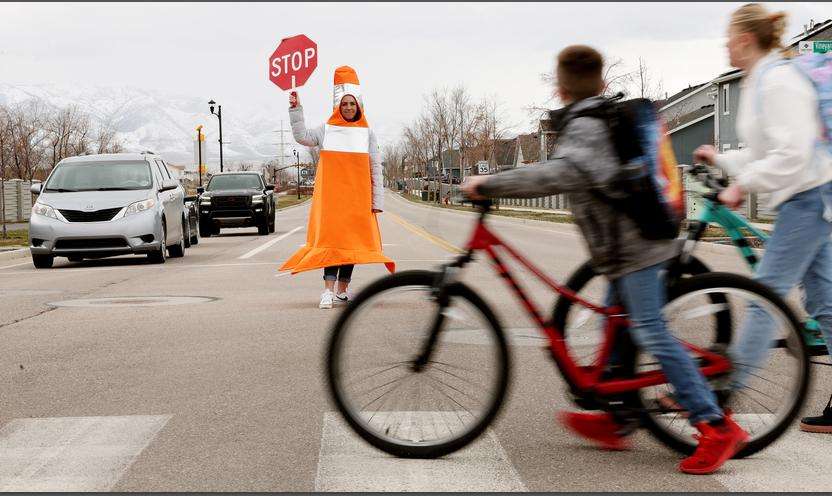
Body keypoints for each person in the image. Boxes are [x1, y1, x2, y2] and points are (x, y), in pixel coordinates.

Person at [462, 45, 748, 474]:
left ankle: (715, 425)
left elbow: (556, 174)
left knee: (650, 331)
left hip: (637, 249)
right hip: (623, 250)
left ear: (560, 89)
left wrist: (489, 184)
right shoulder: (595, 119)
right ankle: (620, 418)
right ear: (604, 83)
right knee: (614, 330)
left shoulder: (587, 128)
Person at [694, 3, 832, 434]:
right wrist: (723, 160)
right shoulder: (761, 79)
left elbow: (794, 154)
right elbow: (764, 152)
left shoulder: (778, 81)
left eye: (728, 37)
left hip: (808, 199)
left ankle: (720, 400)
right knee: (826, 305)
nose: (724, 44)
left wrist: (742, 185)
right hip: (808, 197)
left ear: (745, 39)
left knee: (764, 297)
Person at [279, 66, 395, 309]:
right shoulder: (326, 130)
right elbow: (302, 136)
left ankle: (342, 290)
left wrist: (377, 201)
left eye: (352, 104)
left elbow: (376, 168)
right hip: (333, 202)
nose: (349, 108)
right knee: (333, 245)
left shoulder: (367, 134)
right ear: (338, 106)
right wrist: (295, 108)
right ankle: (327, 291)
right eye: (345, 104)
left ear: (359, 106)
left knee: (350, 247)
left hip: (358, 201)